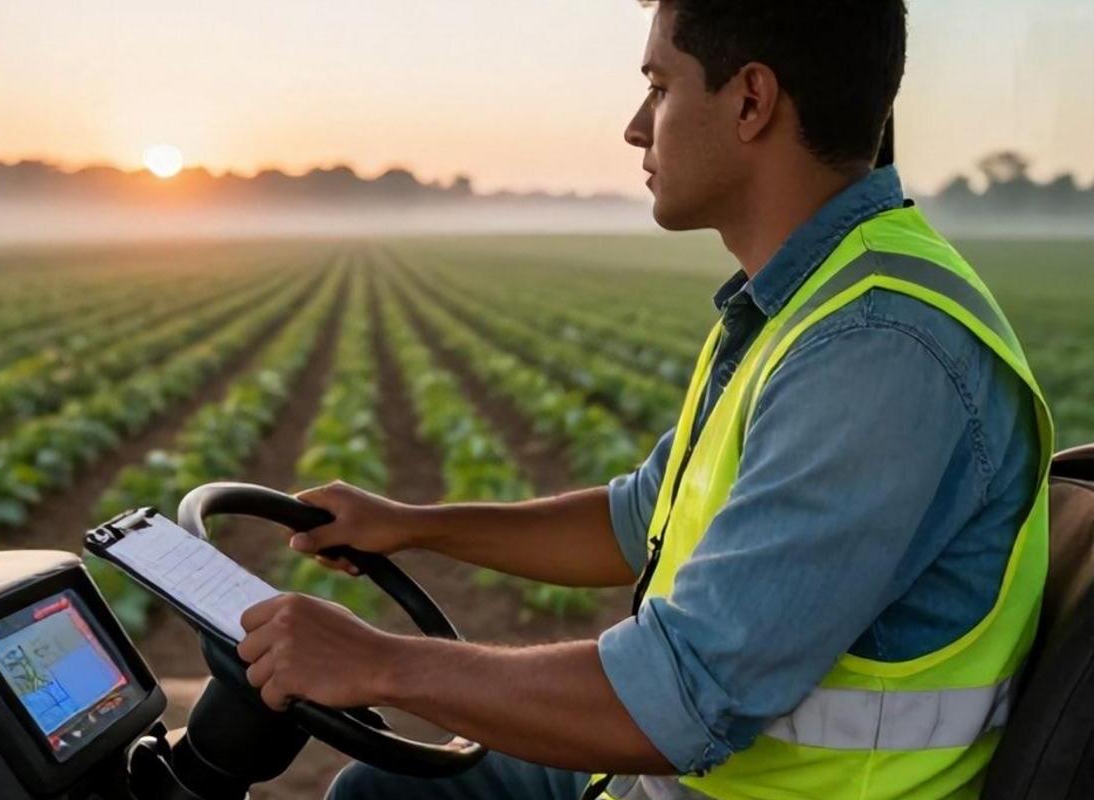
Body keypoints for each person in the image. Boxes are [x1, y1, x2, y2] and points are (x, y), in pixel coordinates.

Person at [236, 1, 1053, 798]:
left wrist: (379, 663)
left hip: (730, 780)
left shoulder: (876, 348)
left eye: (660, 87)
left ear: (750, 101)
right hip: (681, 778)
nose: (636, 125)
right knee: (382, 788)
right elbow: (640, 519)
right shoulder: (810, 302)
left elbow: (682, 696)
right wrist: (417, 526)